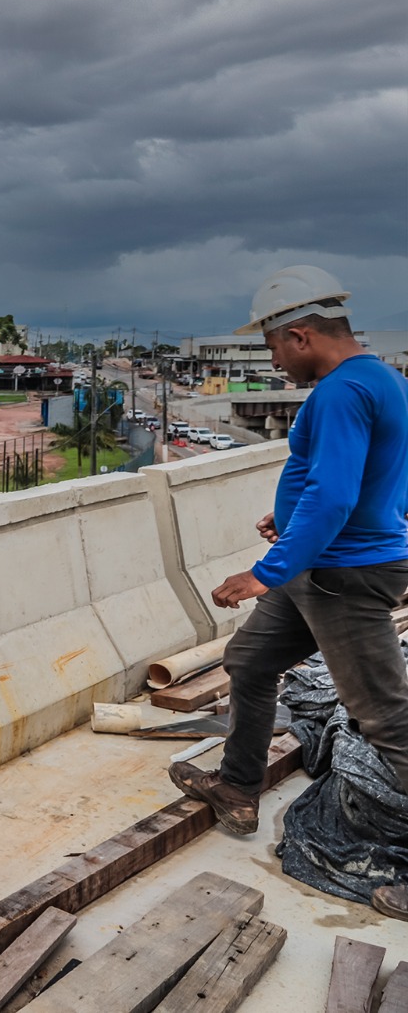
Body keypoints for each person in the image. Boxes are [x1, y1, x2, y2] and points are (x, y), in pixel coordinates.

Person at [168, 266, 408, 921]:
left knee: (387, 719)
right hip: (323, 561)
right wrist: (294, 522)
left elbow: (335, 494)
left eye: (273, 348)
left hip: (340, 576)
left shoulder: (339, 393)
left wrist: (265, 571)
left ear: (300, 335)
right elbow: (371, 484)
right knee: (249, 663)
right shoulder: (383, 379)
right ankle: (238, 788)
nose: (273, 362)